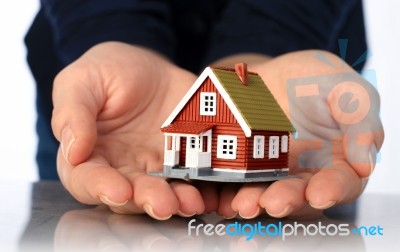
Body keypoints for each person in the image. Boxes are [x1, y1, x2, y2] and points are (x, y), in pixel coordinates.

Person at [25, 0, 384, 220]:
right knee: (87, 224)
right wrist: (113, 31)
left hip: (297, 43)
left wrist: (266, 44)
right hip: (113, 116)